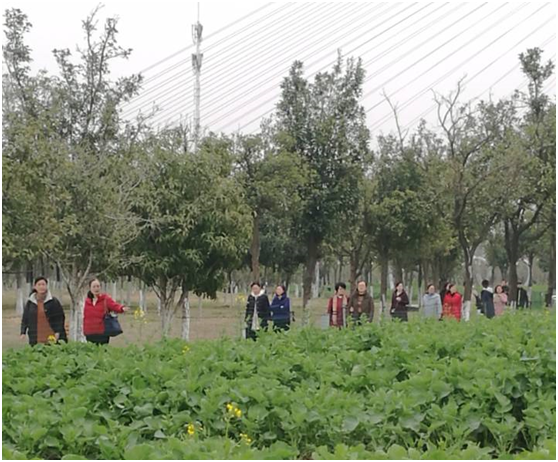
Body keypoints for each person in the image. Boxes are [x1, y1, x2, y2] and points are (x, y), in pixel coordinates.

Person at [20, 276, 67, 346]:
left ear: (46, 286)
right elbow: (25, 318)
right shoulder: (30, 302)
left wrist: (57, 332)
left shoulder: (53, 301)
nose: (41, 287)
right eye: (39, 285)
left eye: (43, 284)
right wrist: (23, 332)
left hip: (52, 335)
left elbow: (60, 318)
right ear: (35, 287)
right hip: (35, 336)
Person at [83, 278, 128, 345]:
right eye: (94, 287)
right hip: (89, 332)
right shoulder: (86, 301)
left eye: (98, 286)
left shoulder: (105, 299)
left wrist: (121, 308)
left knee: (102, 350)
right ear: (90, 288)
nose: (96, 288)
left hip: (102, 333)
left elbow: (114, 306)